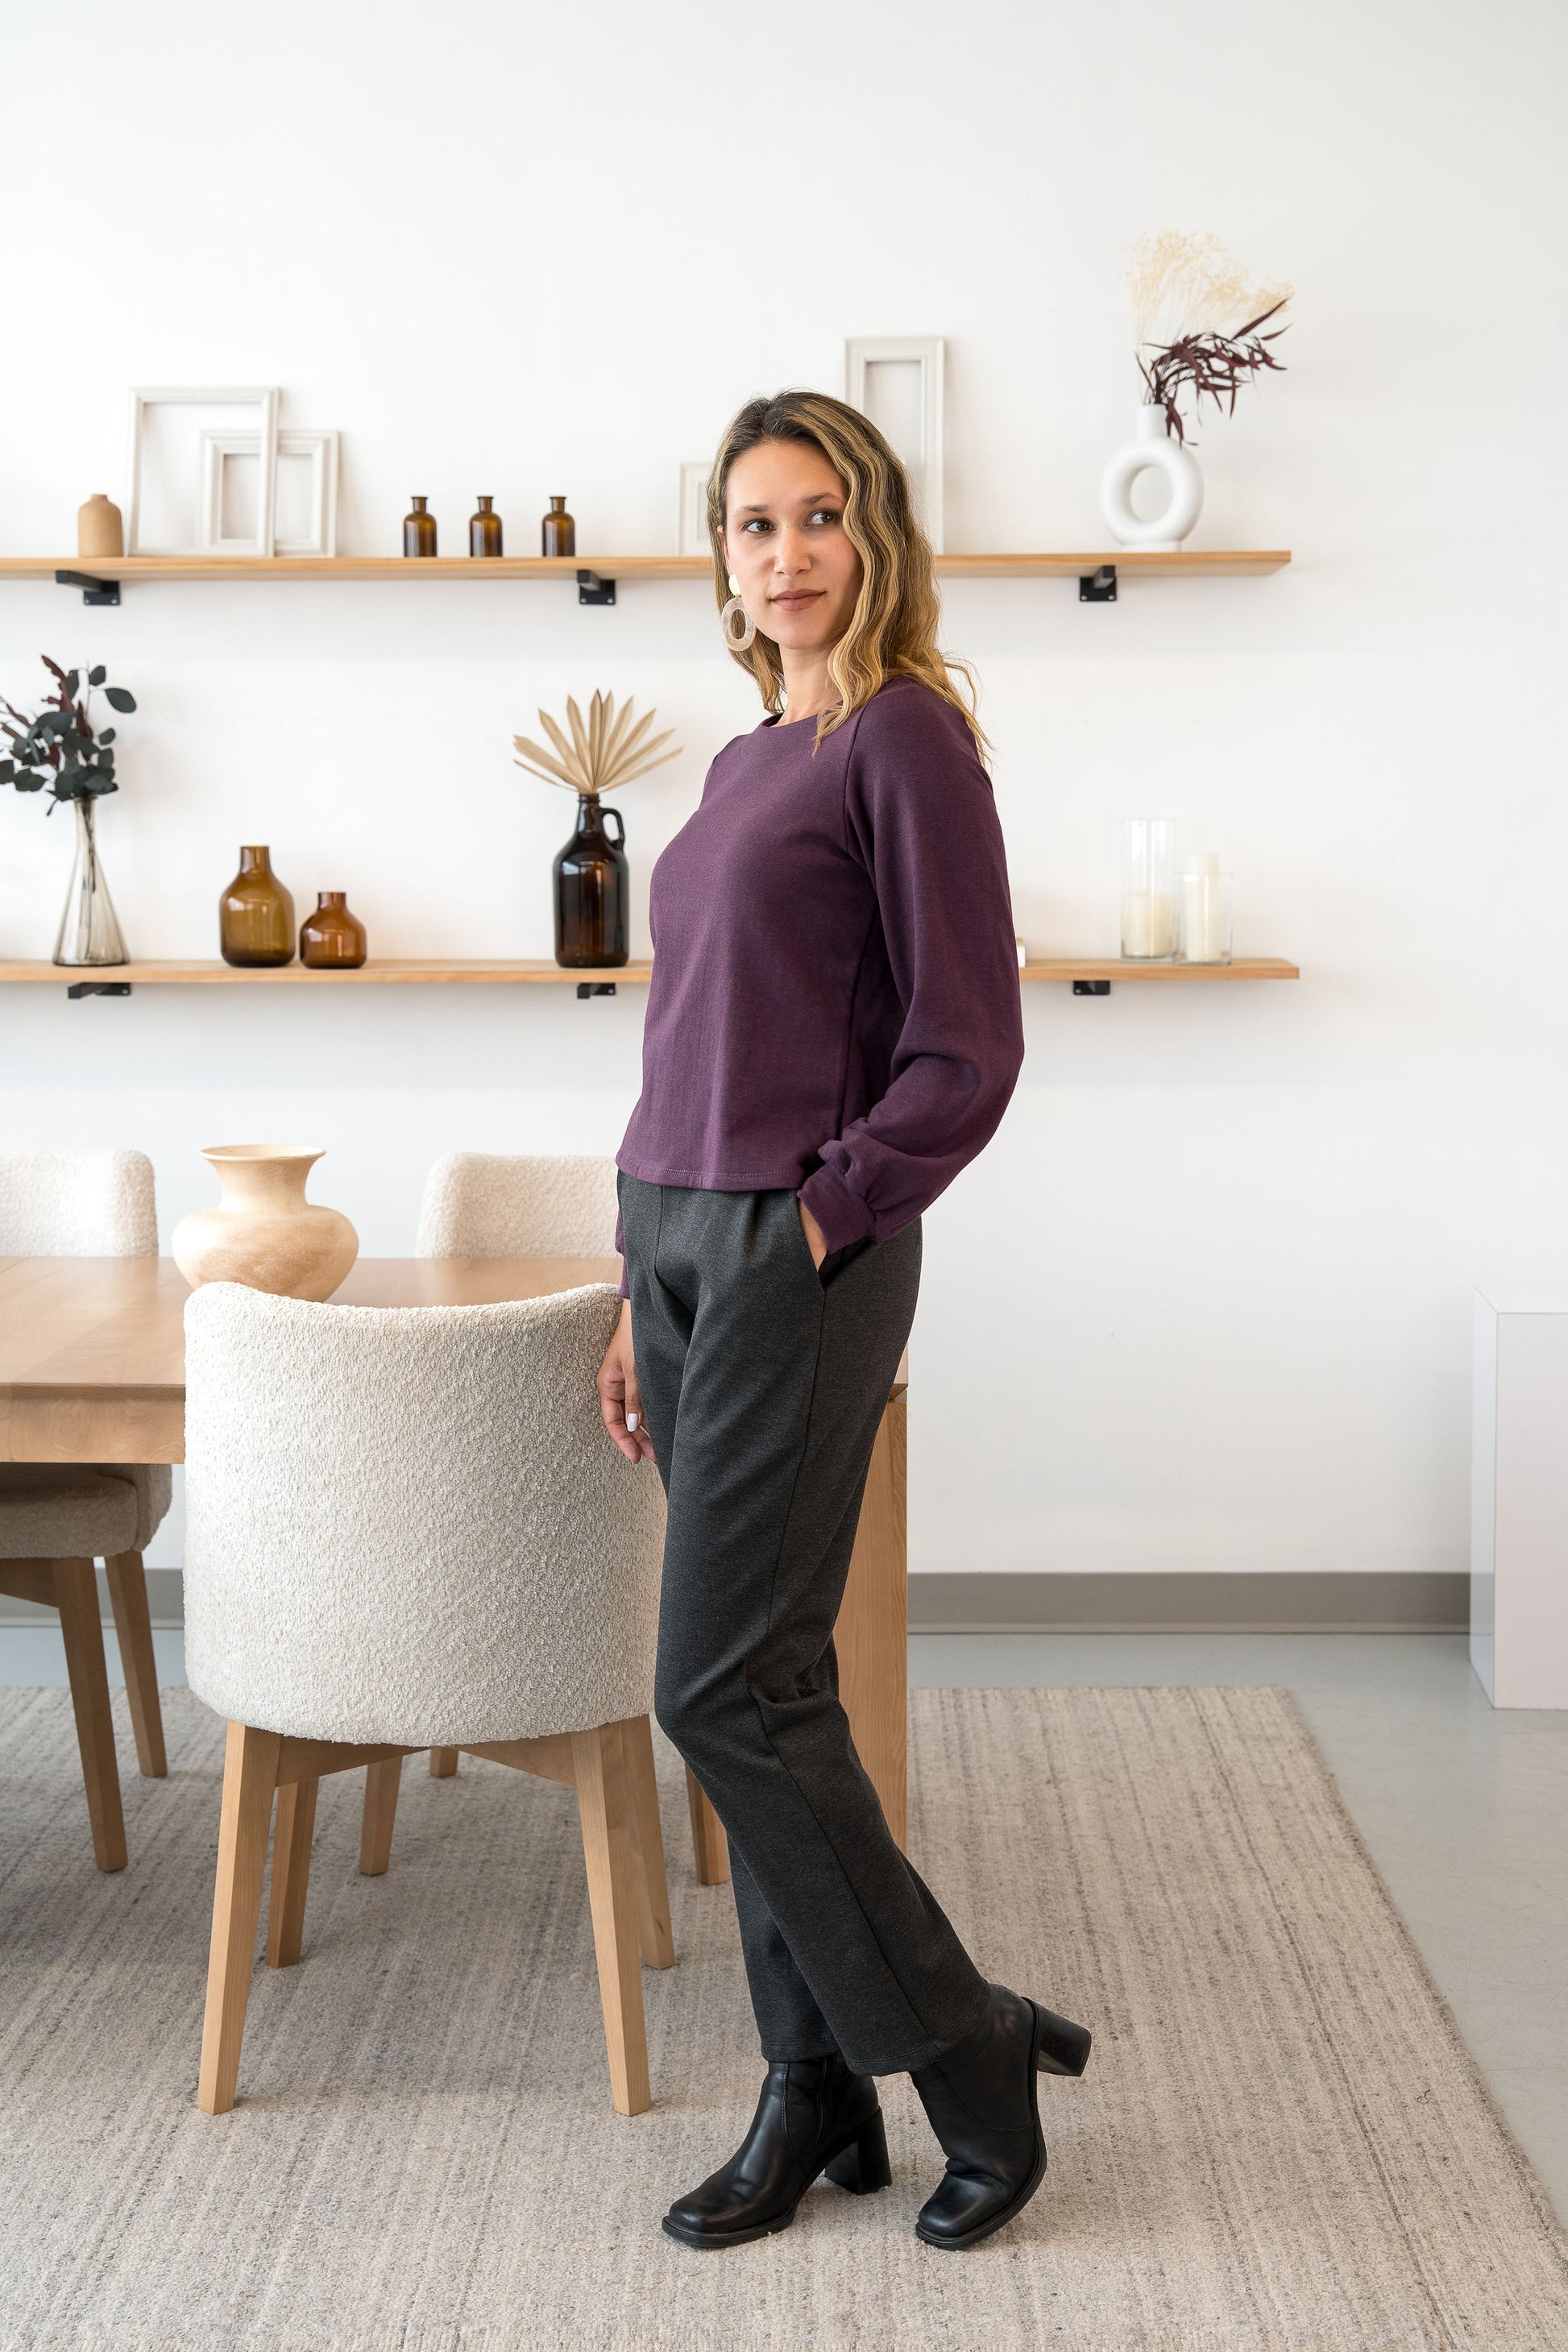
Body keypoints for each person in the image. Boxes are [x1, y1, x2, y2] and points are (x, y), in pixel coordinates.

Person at [596, 389, 1092, 2253]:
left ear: (872, 534)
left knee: (716, 1685)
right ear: (722, 556)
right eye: (754, 522)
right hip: (678, 1232)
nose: (786, 551)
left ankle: (967, 2046)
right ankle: (811, 2087)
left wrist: (816, 1218)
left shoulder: (905, 735)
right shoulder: (746, 756)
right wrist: (634, 1279)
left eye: (819, 515)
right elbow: (686, 1040)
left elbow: (970, 1045)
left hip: (796, 1242)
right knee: (771, 1686)